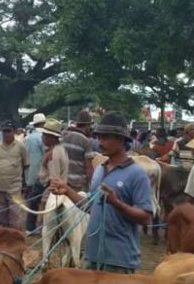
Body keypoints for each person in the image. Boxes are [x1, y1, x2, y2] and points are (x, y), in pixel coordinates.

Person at [50, 111, 152, 273]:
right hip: (92, 257)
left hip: (119, 261)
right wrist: (67, 191)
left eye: (105, 138)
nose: (100, 142)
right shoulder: (99, 170)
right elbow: (90, 207)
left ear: (120, 139)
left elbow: (146, 218)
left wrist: (117, 203)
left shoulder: (137, 174)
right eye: (98, 137)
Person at [0, 121, 28, 229]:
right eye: (4, 131)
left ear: (14, 132)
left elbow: (25, 164)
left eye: (9, 131)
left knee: (15, 214)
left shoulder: (21, 146)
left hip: (14, 186)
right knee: (1, 215)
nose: (6, 134)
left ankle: (15, 236)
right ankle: (4, 236)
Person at [61, 110, 95, 191]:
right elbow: (88, 168)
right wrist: (93, 185)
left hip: (62, 182)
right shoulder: (85, 141)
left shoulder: (63, 135)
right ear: (87, 125)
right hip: (77, 185)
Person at [37, 118, 69, 203]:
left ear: (52, 137)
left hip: (50, 190)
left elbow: (54, 178)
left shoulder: (53, 153)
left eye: (45, 135)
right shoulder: (60, 149)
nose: (42, 137)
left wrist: (46, 199)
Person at [25, 113, 46, 233]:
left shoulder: (28, 137)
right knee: (44, 202)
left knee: (32, 202)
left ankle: (30, 227)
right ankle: (40, 226)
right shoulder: (43, 137)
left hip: (30, 175)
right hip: (42, 175)